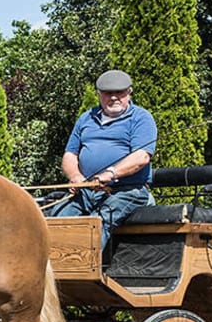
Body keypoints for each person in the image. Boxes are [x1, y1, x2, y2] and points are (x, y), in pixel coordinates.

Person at [51, 69, 157, 250]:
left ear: (129, 93)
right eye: (108, 93)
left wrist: (112, 173)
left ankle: (83, 273)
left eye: (120, 93)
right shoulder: (86, 118)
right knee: (57, 219)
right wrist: (76, 177)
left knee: (95, 224)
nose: (114, 98)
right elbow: (70, 154)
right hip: (85, 190)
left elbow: (141, 156)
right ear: (99, 94)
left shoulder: (141, 118)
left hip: (127, 190)